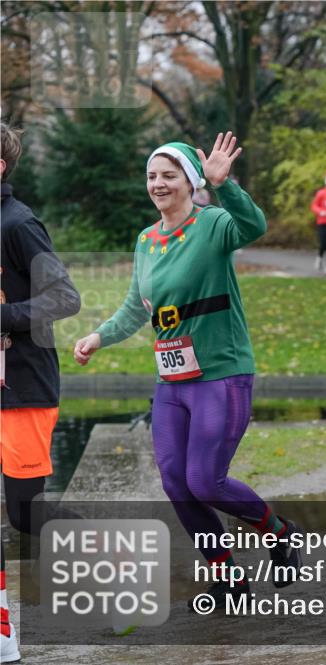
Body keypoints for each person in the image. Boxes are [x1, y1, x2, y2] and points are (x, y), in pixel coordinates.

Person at [73, 133, 303, 609]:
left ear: (190, 180)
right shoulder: (146, 240)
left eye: (168, 175)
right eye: (151, 176)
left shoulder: (212, 223)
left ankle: (279, 533)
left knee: (205, 481)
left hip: (221, 374)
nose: (158, 184)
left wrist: (224, 185)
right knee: (176, 485)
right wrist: (98, 336)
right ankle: (229, 580)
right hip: (172, 382)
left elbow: (254, 225)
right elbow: (136, 307)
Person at [1, 122, 82, 663]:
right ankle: (4, 637)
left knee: (26, 516)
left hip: (23, 389)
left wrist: (5, 316)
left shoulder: (19, 223)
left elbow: (65, 298)